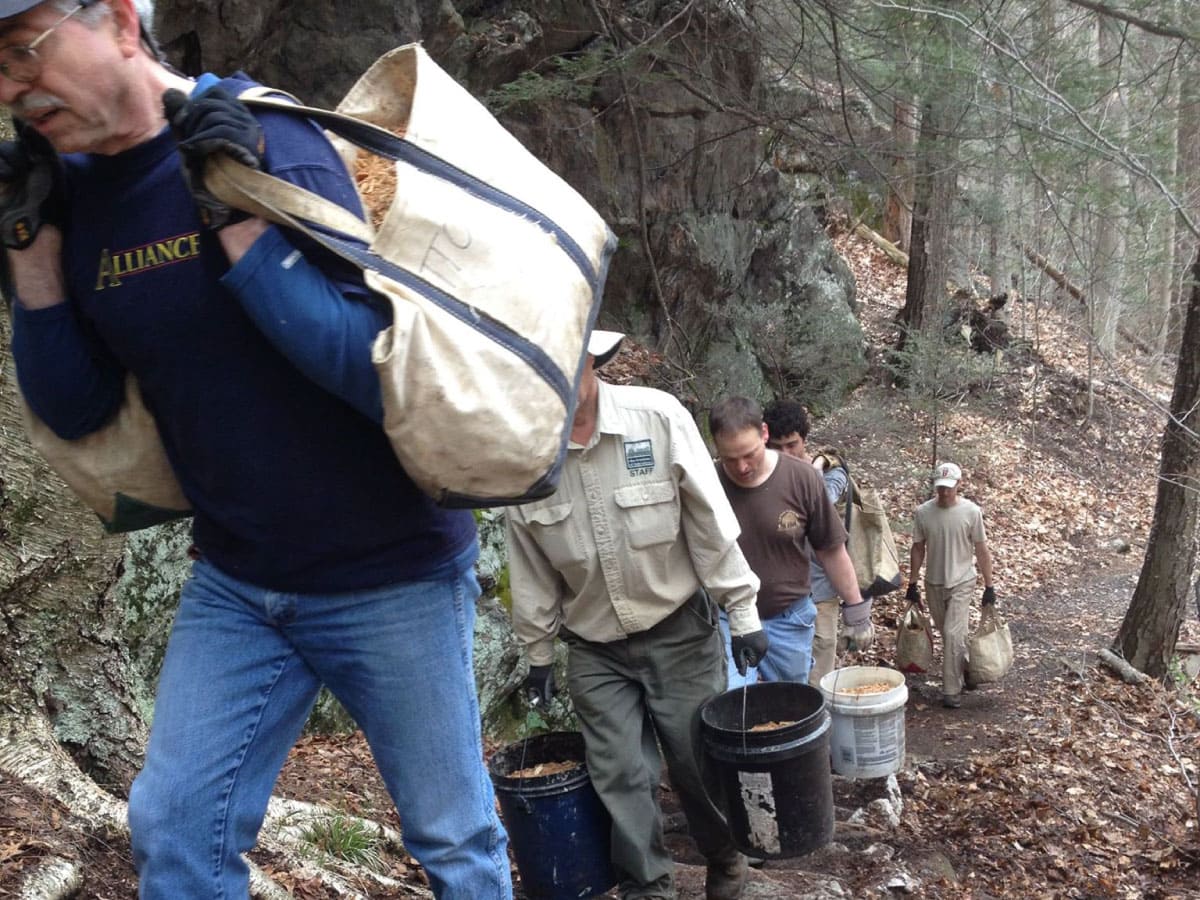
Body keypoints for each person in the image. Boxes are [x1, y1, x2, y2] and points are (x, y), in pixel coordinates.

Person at [0, 2, 510, 897]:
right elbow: (76, 408)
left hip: (392, 574)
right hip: (237, 583)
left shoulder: (270, 134)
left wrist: (239, 220)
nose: (11, 89)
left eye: (20, 52)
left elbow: (378, 374)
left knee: (452, 841)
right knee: (174, 832)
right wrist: (30, 251)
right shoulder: (66, 191)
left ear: (121, 22)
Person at [505, 330, 767, 900]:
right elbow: (529, 564)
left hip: (678, 629)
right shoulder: (526, 450)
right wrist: (538, 653)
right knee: (622, 774)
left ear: (592, 361)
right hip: (594, 645)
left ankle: (725, 860)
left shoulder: (658, 417)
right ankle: (648, 885)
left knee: (696, 765)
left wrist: (741, 612)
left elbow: (709, 523)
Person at [709, 397, 874, 688]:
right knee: (733, 705)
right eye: (730, 459)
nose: (742, 467)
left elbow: (830, 549)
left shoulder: (803, 478)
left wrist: (856, 611)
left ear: (764, 433)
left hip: (789, 618)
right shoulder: (707, 482)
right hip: (728, 618)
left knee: (791, 709)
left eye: (749, 454)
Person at [761, 399, 850, 686]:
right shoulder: (758, 478)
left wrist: (818, 465)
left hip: (821, 587)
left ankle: (818, 725)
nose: (786, 453)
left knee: (819, 673)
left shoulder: (829, 474)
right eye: (777, 446)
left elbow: (824, 498)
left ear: (804, 440)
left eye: (792, 445)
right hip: (779, 596)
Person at [907, 461, 997, 709]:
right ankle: (968, 668)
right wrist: (912, 583)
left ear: (959, 484)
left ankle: (951, 690)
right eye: (940, 488)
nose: (944, 492)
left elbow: (981, 549)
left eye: (949, 487)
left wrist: (989, 586)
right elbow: (917, 548)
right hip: (934, 582)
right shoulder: (924, 512)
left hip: (962, 581)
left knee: (951, 633)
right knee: (950, 636)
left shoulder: (971, 512)